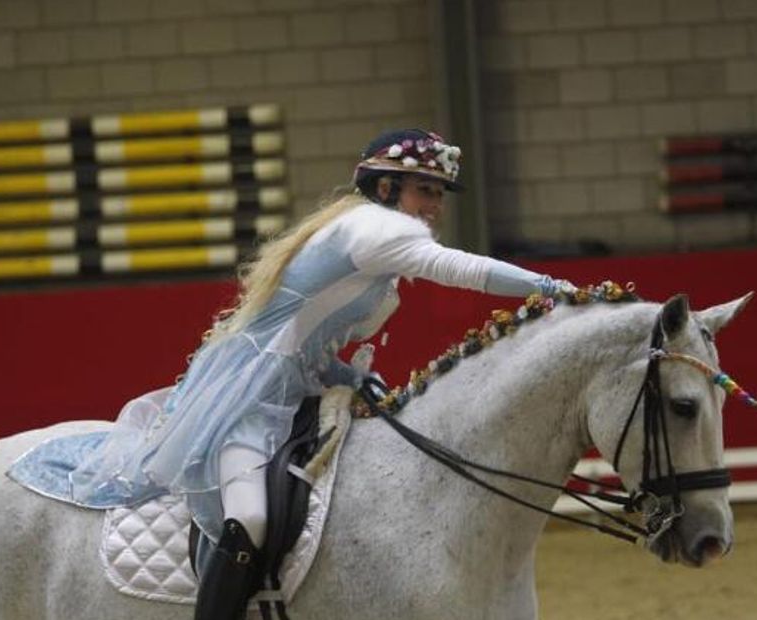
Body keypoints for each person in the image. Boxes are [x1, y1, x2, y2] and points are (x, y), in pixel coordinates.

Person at [66, 129, 572, 620]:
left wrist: (350, 378)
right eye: (425, 190)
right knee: (250, 518)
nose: (435, 205)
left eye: (439, 193)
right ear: (385, 187)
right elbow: (461, 269)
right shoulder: (377, 228)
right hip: (249, 392)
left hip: (296, 387)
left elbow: (306, 345)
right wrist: (552, 285)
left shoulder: (369, 230)